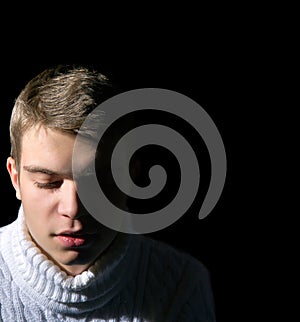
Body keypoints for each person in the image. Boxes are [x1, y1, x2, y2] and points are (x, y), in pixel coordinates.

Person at [0, 64, 216, 321]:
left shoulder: (182, 287)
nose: (73, 208)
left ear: (132, 177)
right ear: (15, 179)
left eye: (97, 182)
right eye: (49, 182)